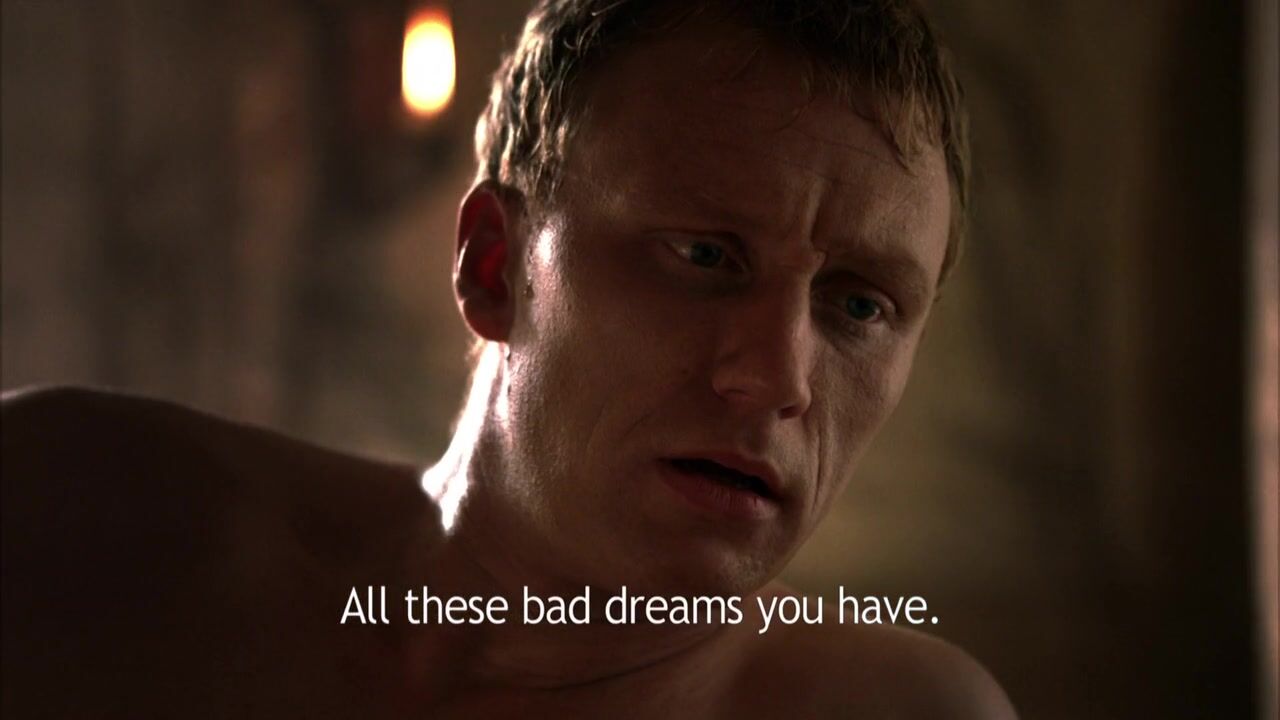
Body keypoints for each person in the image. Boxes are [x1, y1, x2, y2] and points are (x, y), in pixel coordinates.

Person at [1, 0, 1017, 717]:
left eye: (859, 305)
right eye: (704, 257)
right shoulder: (82, 515)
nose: (777, 379)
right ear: (495, 266)